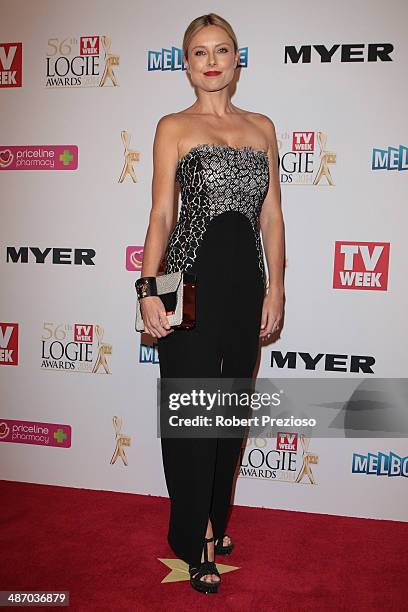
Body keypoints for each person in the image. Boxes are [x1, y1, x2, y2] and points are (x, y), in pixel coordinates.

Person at [136, 13, 285, 594]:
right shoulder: (173, 126)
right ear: (187, 63)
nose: (213, 60)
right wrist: (150, 290)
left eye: (222, 50)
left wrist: (276, 286)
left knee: (230, 414)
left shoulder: (263, 127)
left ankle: (216, 518)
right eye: (200, 52)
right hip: (186, 281)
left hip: (245, 283)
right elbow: (162, 218)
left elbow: (270, 216)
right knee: (194, 412)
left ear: (237, 59)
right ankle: (194, 533)